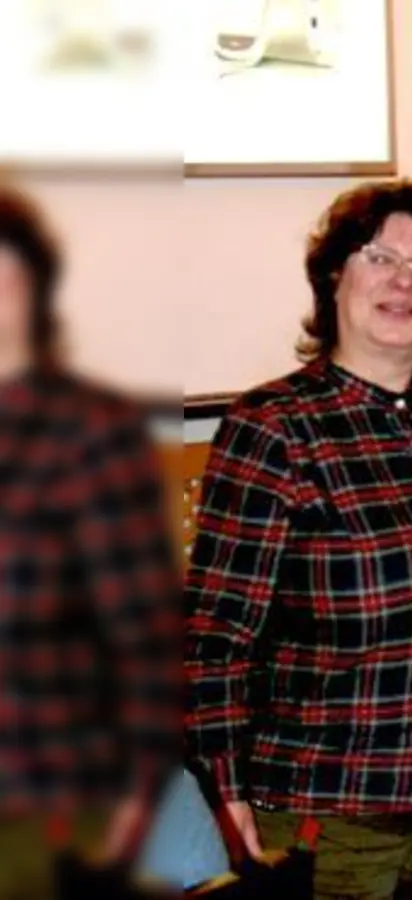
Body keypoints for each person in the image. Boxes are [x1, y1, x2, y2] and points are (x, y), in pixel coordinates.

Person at [184, 179, 412, 899]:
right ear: (335, 276)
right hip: (333, 818)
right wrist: (223, 787)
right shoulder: (275, 427)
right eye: (380, 257)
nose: (402, 281)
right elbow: (217, 635)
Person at [0, 184, 181, 900]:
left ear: (35, 294)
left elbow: (144, 635)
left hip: (46, 795)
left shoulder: (89, 431)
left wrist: (138, 790)